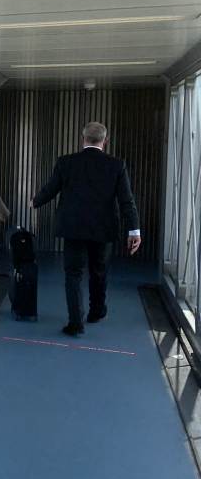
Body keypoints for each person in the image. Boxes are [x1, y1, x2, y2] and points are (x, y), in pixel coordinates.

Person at [32, 122, 141, 337]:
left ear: (83, 139)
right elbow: (126, 201)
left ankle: (75, 323)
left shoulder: (66, 162)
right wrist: (134, 231)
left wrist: (35, 201)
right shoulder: (116, 165)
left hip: (73, 227)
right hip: (103, 228)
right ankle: (96, 312)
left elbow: (51, 189)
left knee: (73, 274)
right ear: (105, 141)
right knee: (99, 271)